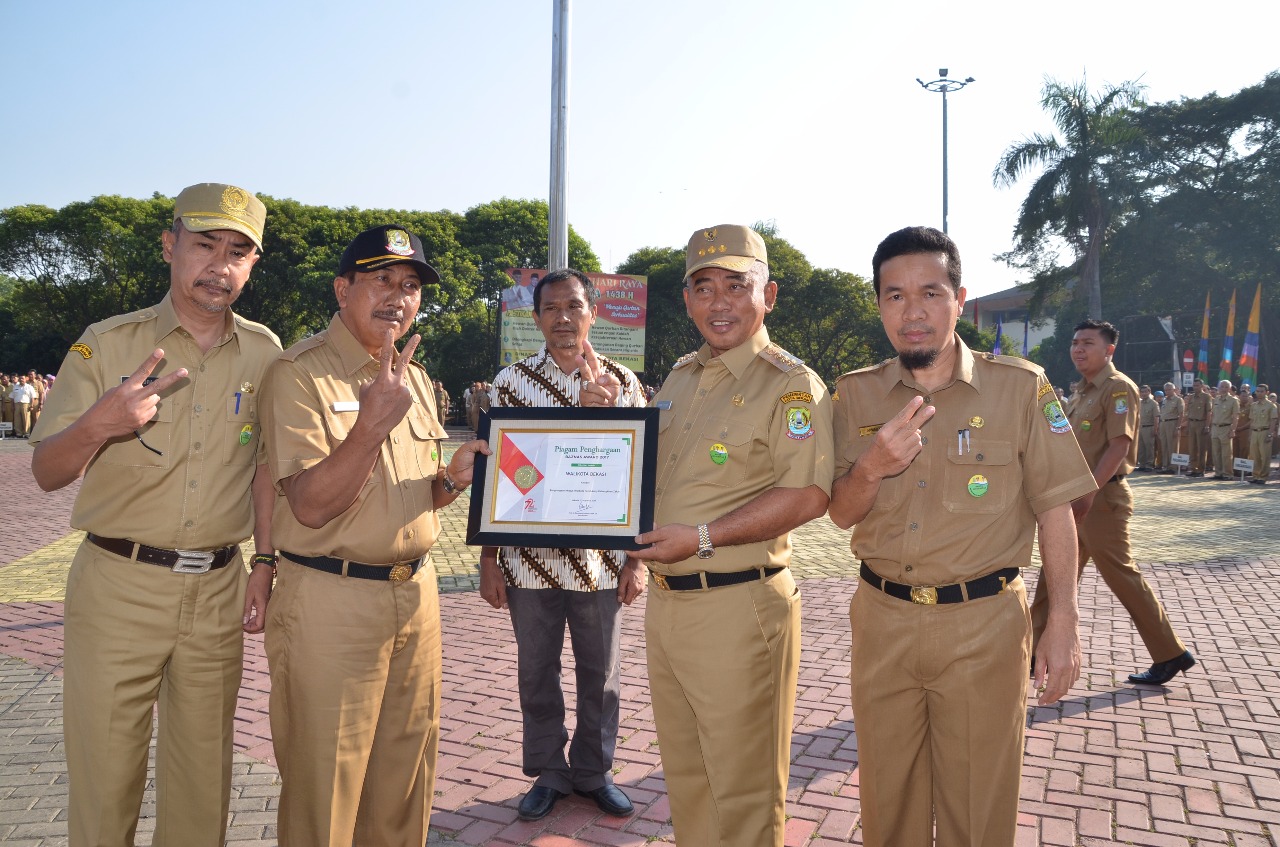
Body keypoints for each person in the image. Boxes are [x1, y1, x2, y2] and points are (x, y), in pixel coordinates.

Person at [29, 183, 281, 847]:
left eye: (238, 251)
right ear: (170, 246)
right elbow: (48, 470)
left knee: (204, 781)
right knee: (105, 775)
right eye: (205, 244)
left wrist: (266, 560)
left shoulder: (264, 353)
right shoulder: (107, 344)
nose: (219, 265)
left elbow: (265, 470)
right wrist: (99, 424)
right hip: (119, 585)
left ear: (252, 265)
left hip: (219, 589)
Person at [827, 226, 1092, 847]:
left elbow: (1057, 509)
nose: (912, 312)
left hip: (985, 627)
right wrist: (871, 465)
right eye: (894, 296)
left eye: (930, 293)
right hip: (883, 619)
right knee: (888, 802)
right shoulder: (854, 394)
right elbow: (840, 512)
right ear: (879, 305)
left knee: (979, 807)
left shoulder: (1020, 389)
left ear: (959, 298)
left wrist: (1064, 623)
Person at [259, 223, 488, 847]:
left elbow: (410, 492)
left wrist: (451, 481)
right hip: (329, 600)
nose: (397, 295)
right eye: (380, 279)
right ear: (342, 288)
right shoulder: (299, 374)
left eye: (410, 284)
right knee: (324, 790)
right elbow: (307, 505)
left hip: (415, 598)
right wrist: (367, 428)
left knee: (404, 784)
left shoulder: (413, 376)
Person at [633, 224, 833, 846]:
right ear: (687, 300)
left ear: (767, 294)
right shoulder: (681, 379)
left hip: (738, 605)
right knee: (689, 778)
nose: (719, 302)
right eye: (703, 287)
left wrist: (701, 537)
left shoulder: (791, 384)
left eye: (735, 286)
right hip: (668, 604)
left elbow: (807, 495)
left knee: (743, 790)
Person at [479, 268, 647, 821]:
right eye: (551, 308)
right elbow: (496, 478)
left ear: (592, 313)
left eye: (574, 306)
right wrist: (489, 559)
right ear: (536, 318)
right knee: (537, 670)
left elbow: (638, 474)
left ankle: (594, 772)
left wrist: (636, 561)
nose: (563, 318)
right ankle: (549, 772)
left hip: (601, 564)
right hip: (529, 563)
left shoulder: (624, 382)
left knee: (602, 676)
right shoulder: (511, 383)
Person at [1030, 319, 1196, 687]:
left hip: (1101, 502)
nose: (1078, 349)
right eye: (1075, 343)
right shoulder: (1081, 393)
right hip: (1074, 501)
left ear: (1109, 350)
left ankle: (1170, 653)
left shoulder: (1118, 389)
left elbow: (1118, 446)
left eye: (1088, 343)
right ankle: (1029, 651)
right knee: (1054, 575)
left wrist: (1087, 494)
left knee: (1121, 576)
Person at [1246, 384, 1277, 484]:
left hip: (1265, 431)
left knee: (1265, 456)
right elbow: (1251, 421)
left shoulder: (1271, 405)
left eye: (1261, 391)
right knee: (1254, 455)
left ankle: (1262, 477)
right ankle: (1255, 475)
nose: (1259, 393)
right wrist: (1250, 434)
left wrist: (1270, 434)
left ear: (1266, 392)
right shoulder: (1254, 405)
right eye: (1258, 391)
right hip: (1255, 432)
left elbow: (1273, 421)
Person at [1211, 379, 1240, 479]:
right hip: (1215, 428)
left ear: (1230, 388)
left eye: (1226, 387)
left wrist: (1233, 430)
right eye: (1222, 386)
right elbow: (1213, 414)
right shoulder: (1216, 399)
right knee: (1216, 452)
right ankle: (1218, 473)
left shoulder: (1233, 400)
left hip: (1226, 428)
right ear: (1219, 387)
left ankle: (1227, 474)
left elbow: (1235, 417)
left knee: (1226, 454)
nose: (1224, 389)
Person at [1184, 378, 1210, 476]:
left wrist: (1207, 425)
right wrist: (1187, 425)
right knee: (1192, 447)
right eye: (1194, 385)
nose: (1195, 387)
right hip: (1191, 423)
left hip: (1201, 423)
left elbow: (1209, 412)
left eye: (1197, 385)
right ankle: (1194, 468)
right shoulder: (1191, 397)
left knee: (1201, 448)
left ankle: (1200, 469)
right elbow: (1188, 412)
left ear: (1202, 386)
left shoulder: (1206, 397)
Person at [1156, 382, 1184, 472]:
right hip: (1163, 423)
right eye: (1166, 390)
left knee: (1172, 446)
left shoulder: (1178, 400)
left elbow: (1181, 414)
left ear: (1174, 389)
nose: (1167, 391)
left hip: (1172, 423)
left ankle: (1173, 467)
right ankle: (1165, 466)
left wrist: (1177, 427)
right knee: (1164, 446)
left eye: (1169, 389)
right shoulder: (1164, 399)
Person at [1136, 384, 1159, 470]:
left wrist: (1155, 429)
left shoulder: (1153, 403)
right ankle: (1142, 464)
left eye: (1146, 391)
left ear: (1149, 392)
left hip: (1149, 427)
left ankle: (1149, 464)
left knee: (1149, 447)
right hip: (1140, 427)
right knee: (1141, 447)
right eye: (1142, 392)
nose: (1144, 393)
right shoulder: (1139, 403)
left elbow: (1156, 417)